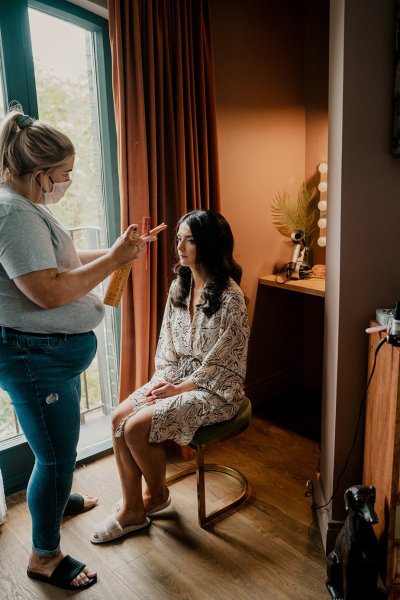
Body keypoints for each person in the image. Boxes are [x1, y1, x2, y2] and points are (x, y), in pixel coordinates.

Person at [0, 107, 157, 590]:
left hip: (47, 356)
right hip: (34, 358)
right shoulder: (12, 213)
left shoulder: (28, 207)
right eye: (64, 175)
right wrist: (114, 259)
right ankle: (44, 557)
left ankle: (55, 496)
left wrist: (116, 251)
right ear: (41, 174)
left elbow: (59, 262)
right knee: (55, 456)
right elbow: (47, 289)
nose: (67, 182)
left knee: (53, 447)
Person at [90, 209, 249, 543]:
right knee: (119, 417)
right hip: (177, 376)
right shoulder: (180, 286)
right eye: (178, 239)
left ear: (208, 244)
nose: (180, 247)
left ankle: (157, 496)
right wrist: (164, 383)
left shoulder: (231, 298)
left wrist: (178, 389)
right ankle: (133, 506)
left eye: (189, 240)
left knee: (135, 427)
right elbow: (167, 348)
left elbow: (223, 365)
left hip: (216, 390)